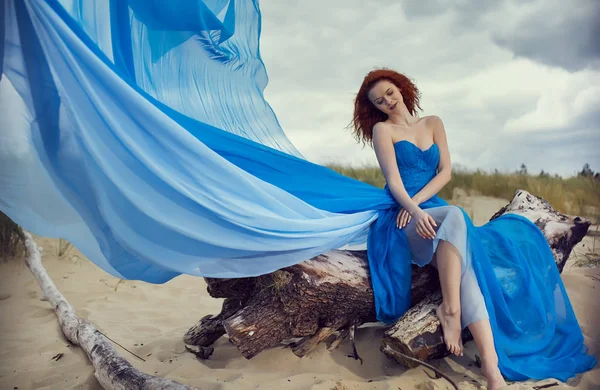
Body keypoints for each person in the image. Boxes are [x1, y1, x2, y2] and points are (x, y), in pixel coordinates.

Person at [350, 68, 597, 389]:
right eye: (379, 101)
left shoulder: (433, 123)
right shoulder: (383, 131)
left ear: (402, 88)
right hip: (402, 218)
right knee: (454, 216)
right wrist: (413, 209)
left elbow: (446, 172)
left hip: (433, 209)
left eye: (390, 93)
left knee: (467, 266)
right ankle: (451, 310)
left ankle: (492, 369)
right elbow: (394, 183)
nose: (387, 102)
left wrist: (423, 202)